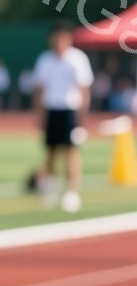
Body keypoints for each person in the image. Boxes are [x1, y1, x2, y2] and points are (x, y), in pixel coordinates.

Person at [32, 22, 94, 213]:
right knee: (50, 152)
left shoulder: (77, 59)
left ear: (68, 38)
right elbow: (40, 90)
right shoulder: (45, 60)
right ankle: (49, 190)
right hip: (52, 110)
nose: (58, 41)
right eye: (55, 37)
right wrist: (39, 115)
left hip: (70, 111)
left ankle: (71, 193)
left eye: (62, 37)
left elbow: (84, 90)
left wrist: (82, 118)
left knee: (70, 152)